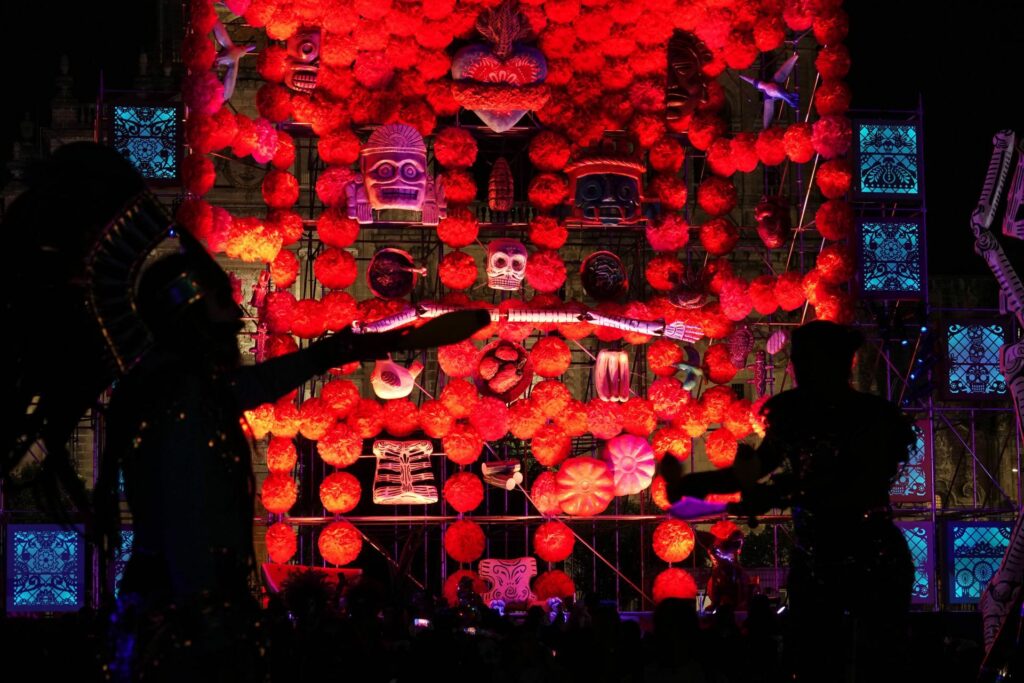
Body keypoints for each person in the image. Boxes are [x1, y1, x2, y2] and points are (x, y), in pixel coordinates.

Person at [662, 320, 915, 682]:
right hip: (814, 555)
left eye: (806, 361)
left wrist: (781, 492)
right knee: (812, 660)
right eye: (797, 361)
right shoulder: (793, 414)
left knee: (877, 661)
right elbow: (753, 469)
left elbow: (855, 484)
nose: (798, 370)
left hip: (871, 554)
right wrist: (691, 484)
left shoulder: (872, 418)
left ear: (836, 363)